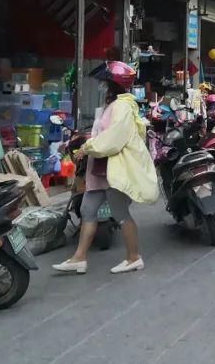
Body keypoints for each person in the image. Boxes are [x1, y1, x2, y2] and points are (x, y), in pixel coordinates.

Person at [53, 61, 157, 275]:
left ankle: (133, 257)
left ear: (113, 84)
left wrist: (87, 147)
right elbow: (101, 133)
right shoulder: (112, 105)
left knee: (120, 213)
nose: (101, 86)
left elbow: (113, 139)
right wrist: (84, 143)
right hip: (101, 168)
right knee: (87, 210)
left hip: (113, 168)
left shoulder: (122, 107)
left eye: (104, 82)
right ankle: (79, 258)